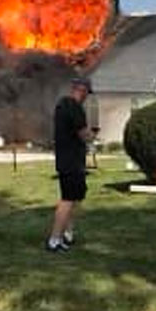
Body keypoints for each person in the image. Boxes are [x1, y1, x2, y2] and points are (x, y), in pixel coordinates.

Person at [46, 76, 93, 252]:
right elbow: (83, 134)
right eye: (87, 92)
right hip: (72, 161)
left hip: (66, 160)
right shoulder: (74, 107)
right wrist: (92, 136)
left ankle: (67, 234)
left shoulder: (61, 105)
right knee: (67, 200)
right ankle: (54, 240)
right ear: (81, 90)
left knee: (75, 198)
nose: (87, 96)